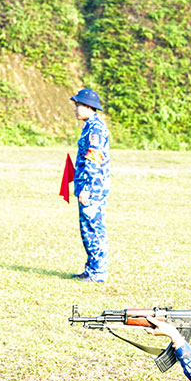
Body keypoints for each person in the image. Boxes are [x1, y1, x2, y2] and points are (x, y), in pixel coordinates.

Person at [70, 88, 110, 283]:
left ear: (88, 107)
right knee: (86, 229)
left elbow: (93, 160)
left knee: (94, 228)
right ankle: (91, 269)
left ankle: (99, 272)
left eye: (78, 105)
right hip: (87, 186)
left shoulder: (95, 130)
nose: (76, 109)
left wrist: (86, 188)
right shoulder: (89, 127)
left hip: (92, 188)